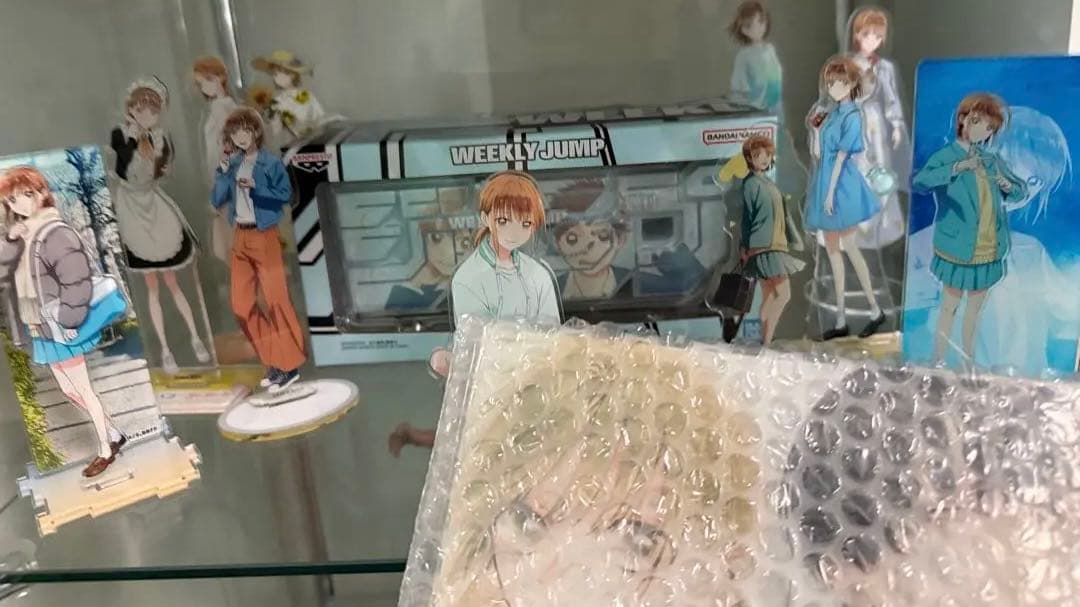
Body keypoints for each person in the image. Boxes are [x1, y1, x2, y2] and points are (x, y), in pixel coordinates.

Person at [0, 167, 127, 478]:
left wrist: (69, 320)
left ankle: (106, 448)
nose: (20, 204)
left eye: (26, 195)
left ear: (42, 193)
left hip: (62, 325)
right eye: (12, 200)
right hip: (43, 326)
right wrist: (11, 239)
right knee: (70, 389)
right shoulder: (25, 234)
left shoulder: (55, 232)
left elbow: (76, 279)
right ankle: (113, 433)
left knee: (82, 388)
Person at [912, 93, 1027, 365]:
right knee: (949, 308)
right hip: (957, 247)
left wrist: (1006, 184)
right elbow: (920, 182)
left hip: (989, 248)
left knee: (974, 312)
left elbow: (1019, 191)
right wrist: (957, 167)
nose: (981, 131)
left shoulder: (991, 160)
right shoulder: (946, 156)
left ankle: (968, 362)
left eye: (988, 128)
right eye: (976, 122)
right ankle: (938, 359)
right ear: (962, 119)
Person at [110, 77, 209, 374]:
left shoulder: (161, 137)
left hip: (152, 201)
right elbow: (121, 169)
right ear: (130, 109)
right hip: (132, 206)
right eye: (141, 109)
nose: (147, 115)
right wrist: (134, 140)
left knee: (172, 280)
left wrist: (159, 163)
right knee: (151, 285)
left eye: (153, 111)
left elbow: (162, 170)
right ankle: (165, 350)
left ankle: (196, 338)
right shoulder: (120, 134)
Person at [212, 107, 307, 392]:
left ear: (255, 131)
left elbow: (285, 195)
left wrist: (256, 187)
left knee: (277, 300)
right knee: (241, 306)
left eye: (244, 130)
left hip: (264, 234)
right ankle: (273, 361)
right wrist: (222, 173)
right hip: (240, 235)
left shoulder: (269, 163)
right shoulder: (233, 164)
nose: (240, 137)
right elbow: (217, 200)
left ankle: (288, 366)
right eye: (234, 134)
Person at [805, 56, 886, 341]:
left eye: (839, 83)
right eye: (830, 83)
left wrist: (829, 195)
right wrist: (816, 132)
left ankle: (875, 310)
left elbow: (841, 158)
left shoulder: (852, 116)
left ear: (851, 84)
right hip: (826, 180)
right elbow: (819, 154)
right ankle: (840, 318)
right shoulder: (832, 114)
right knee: (832, 252)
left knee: (850, 247)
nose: (833, 88)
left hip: (842, 186)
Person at [450, 171, 561, 327]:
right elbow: (473, 337)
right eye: (503, 221)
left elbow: (553, 331)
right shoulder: (467, 277)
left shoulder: (538, 274)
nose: (514, 233)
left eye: (526, 224)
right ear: (485, 218)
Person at [847, 7, 910, 248]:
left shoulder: (885, 68)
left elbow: (892, 98)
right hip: (856, 121)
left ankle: (882, 226)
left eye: (877, 36)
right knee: (859, 170)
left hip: (877, 125)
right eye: (866, 34)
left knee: (882, 173)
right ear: (857, 35)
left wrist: (896, 125)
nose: (872, 40)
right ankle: (857, 225)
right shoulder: (850, 65)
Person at [739, 135, 805, 345]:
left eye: (767, 154)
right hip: (764, 246)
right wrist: (744, 246)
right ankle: (767, 340)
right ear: (749, 158)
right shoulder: (751, 184)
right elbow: (747, 217)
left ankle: (764, 340)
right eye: (758, 155)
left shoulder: (766, 182)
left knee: (768, 295)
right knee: (783, 294)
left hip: (773, 243)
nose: (764, 159)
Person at [192, 56, 238, 264]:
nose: (205, 87)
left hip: (228, 175)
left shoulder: (224, 107)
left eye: (208, 80)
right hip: (221, 174)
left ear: (221, 78)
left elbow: (229, 145)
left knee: (231, 235)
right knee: (226, 237)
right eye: (201, 83)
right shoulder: (218, 107)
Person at [250, 50, 328, 145]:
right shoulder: (277, 102)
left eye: (279, 73)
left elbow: (320, 117)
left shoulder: (307, 95)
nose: (276, 78)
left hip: (312, 142)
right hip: (289, 145)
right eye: (274, 74)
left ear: (292, 75)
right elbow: (275, 131)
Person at [728, 0, 782, 117]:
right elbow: (738, 87)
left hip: (775, 108)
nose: (760, 26)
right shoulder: (743, 56)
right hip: (754, 110)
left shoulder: (769, 49)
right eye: (754, 23)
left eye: (762, 21)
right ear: (744, 29)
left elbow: (776, 80)